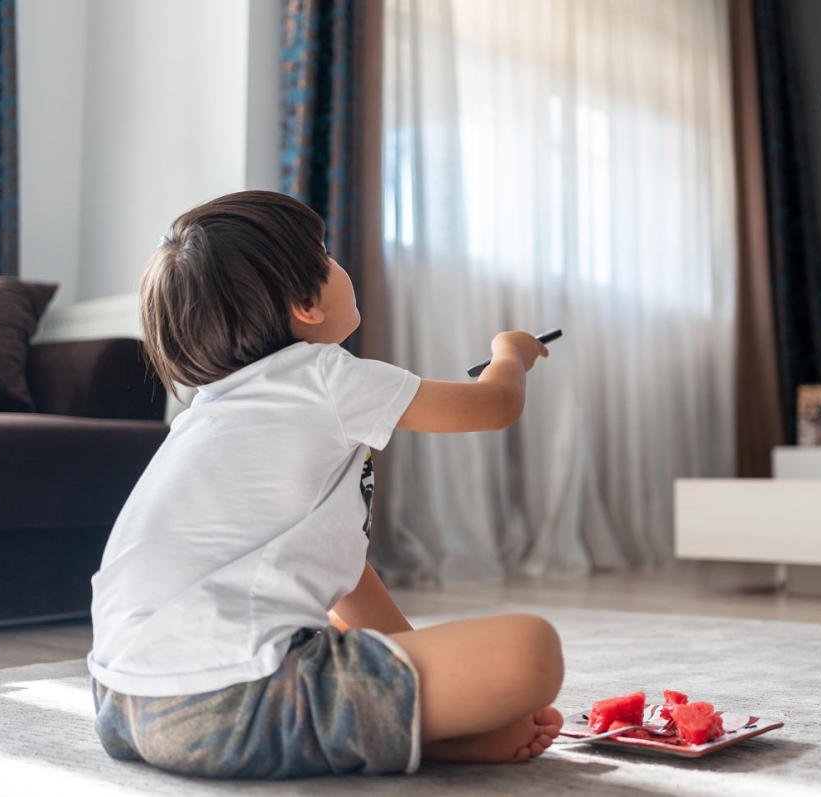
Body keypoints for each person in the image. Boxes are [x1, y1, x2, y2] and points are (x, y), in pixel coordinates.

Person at [86, 190, 564, 780]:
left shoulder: (210, 413)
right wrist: (510, 351)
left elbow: (344, 576)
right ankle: (413, 731)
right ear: (307, 303)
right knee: (531, 649)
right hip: (229, 697)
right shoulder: (322, 376)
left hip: (120, 701)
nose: (339, 263)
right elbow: (492, 405)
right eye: (326, 253)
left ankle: (407, 724)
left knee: (459, 666)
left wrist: (421, 672)